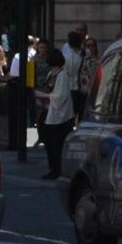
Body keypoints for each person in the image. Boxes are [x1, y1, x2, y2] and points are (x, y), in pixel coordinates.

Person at [41, 28, 86, 177]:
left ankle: (57, 169)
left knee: (57, 144)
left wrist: (43, 95)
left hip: (59, 116)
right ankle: (54, 168)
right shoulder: (53, 72)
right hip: (51, 113)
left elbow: (59, 97)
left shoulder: (62, 74)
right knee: (51, 143)